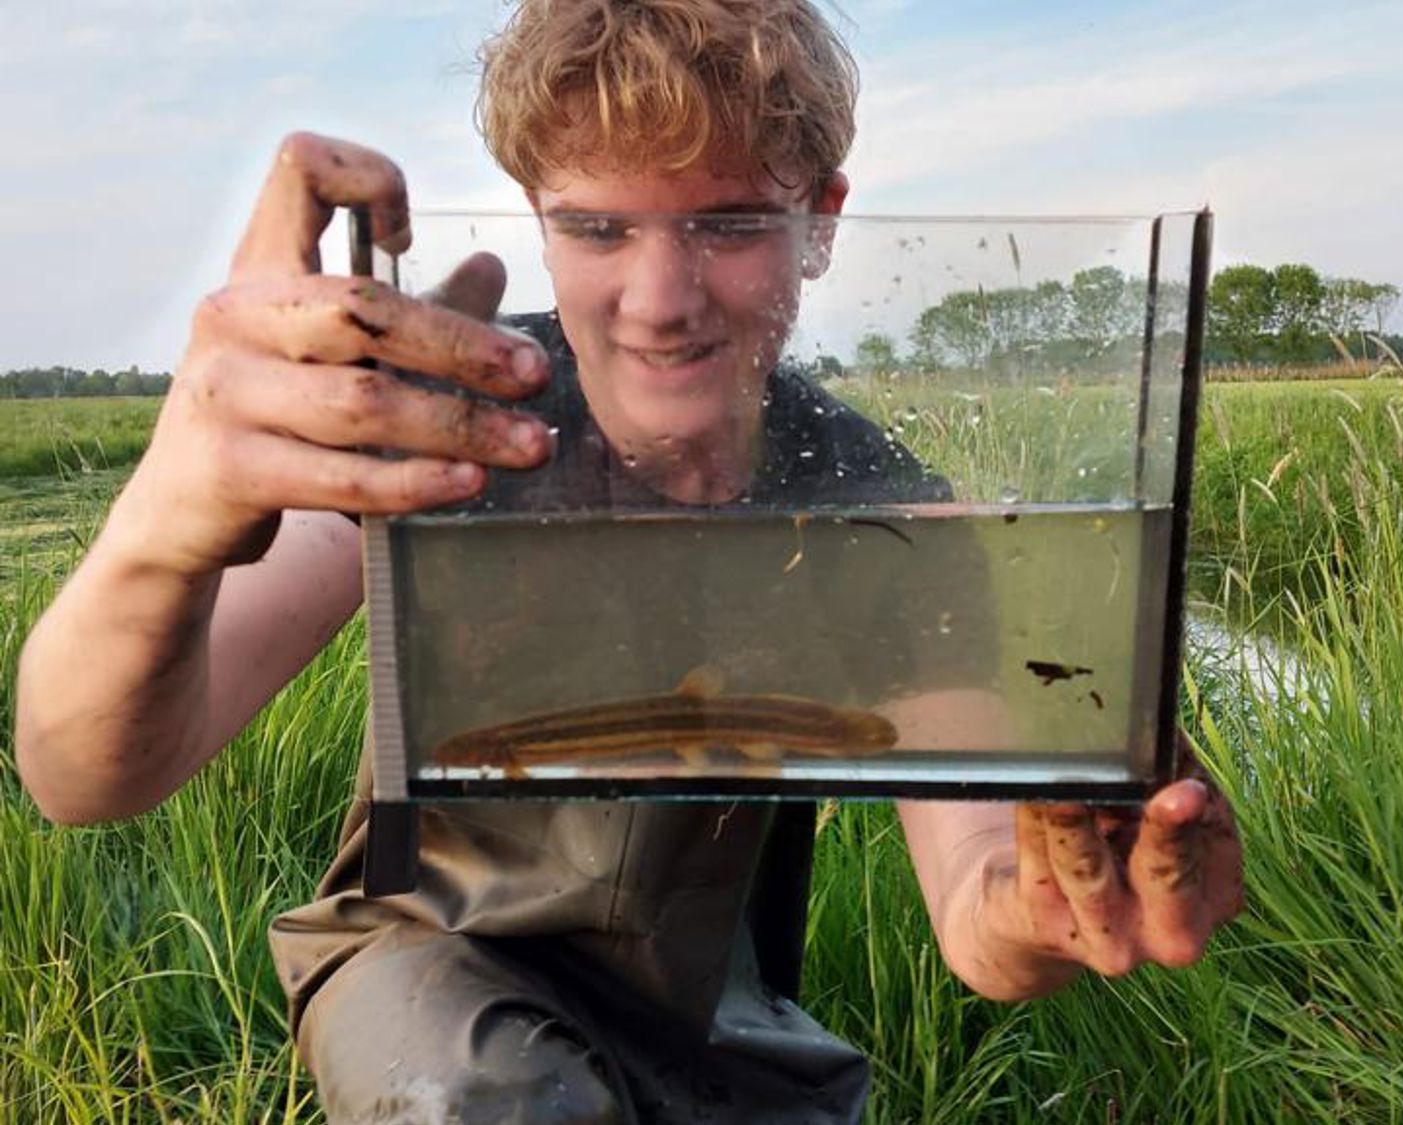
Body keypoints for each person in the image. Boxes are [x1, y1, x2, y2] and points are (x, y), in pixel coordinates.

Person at [15, 1, 1244, 1122]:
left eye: (729, 225)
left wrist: (1048, 901)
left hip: (712, 1019)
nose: (661, 298)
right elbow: (84, 772)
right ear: (538, 224)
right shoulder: (437, 429)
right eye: (598, 227)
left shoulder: (886, 517)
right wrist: (166, 527)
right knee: (491, 1095)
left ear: (821, 224)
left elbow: (977, 906)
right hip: (428, 972)